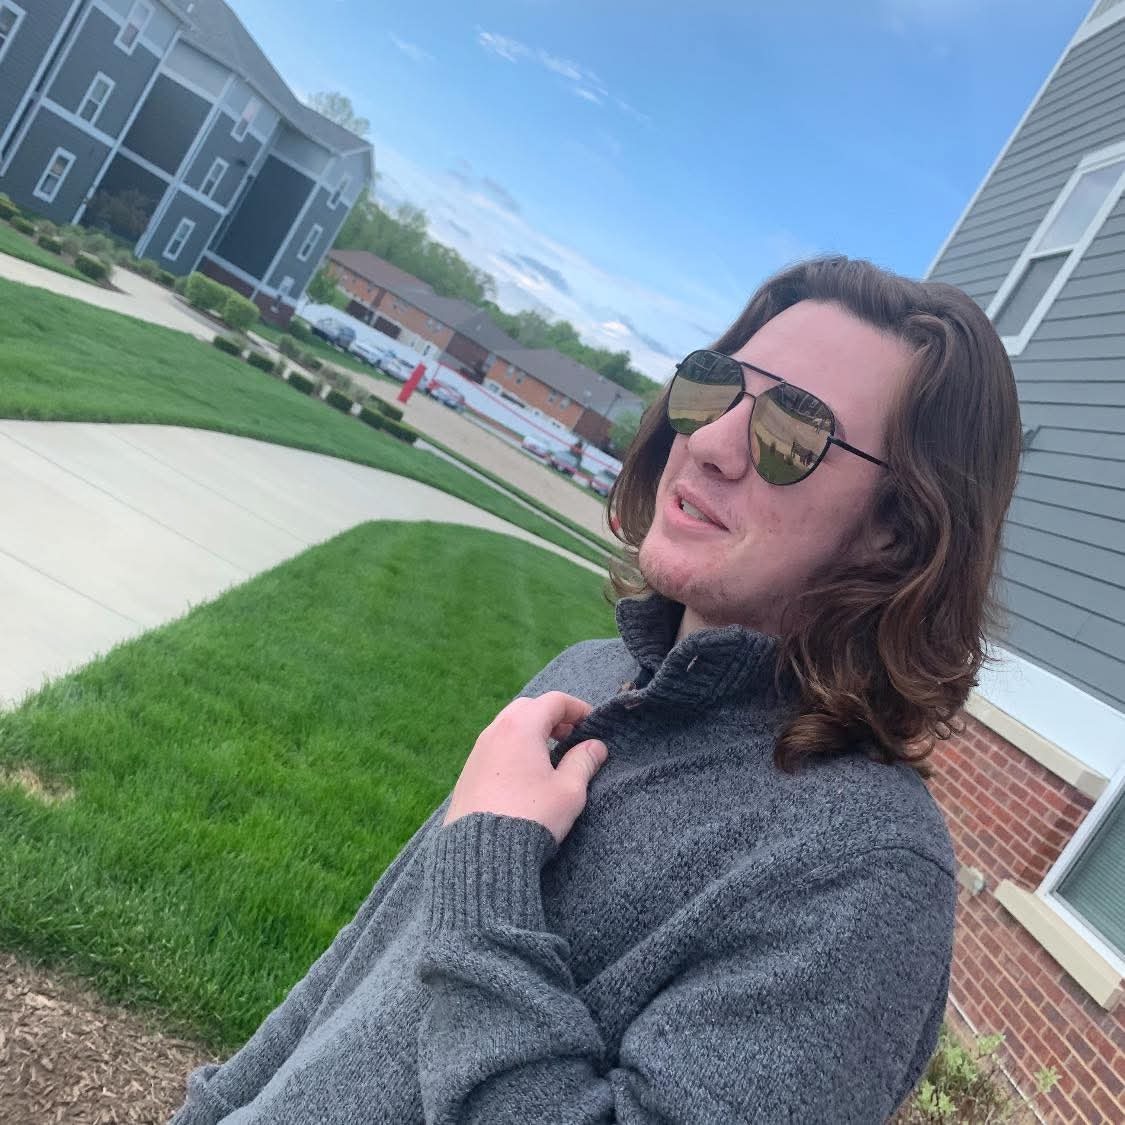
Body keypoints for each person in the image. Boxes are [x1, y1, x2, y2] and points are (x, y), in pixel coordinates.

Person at [170, 256, 1021, 1124]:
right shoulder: (582, 673)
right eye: (714, 386)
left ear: (895, 531)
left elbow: (465, 917)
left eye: (793, 432)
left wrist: (489, 876)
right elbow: (367, 960)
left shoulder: (863, 871)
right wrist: (215, 1106)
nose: (712, 442)